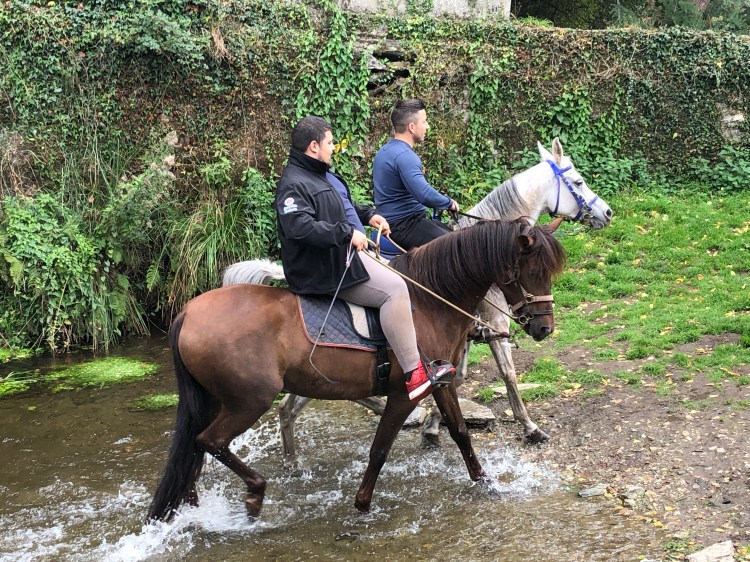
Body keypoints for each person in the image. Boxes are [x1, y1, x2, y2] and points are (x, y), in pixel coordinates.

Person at [275, 116, 454, 401]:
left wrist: (368, 215)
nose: (333, 148)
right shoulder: (293, 184)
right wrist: (346, 234)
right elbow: (299, 227)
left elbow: (340, 202)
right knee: (395, 288)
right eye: (330, 143)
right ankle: (414, 374)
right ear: (313, 147)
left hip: (338, 256)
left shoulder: (316, 173)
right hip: (323, 268)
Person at [373, 98, 459, 250]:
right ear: (412, 127)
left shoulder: (384, 151)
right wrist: (449, 203)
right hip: (404, 226)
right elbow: (424, 194)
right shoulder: (405, 156)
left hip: (394, 223)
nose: (427, 126)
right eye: (424, 121)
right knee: (456, 246)